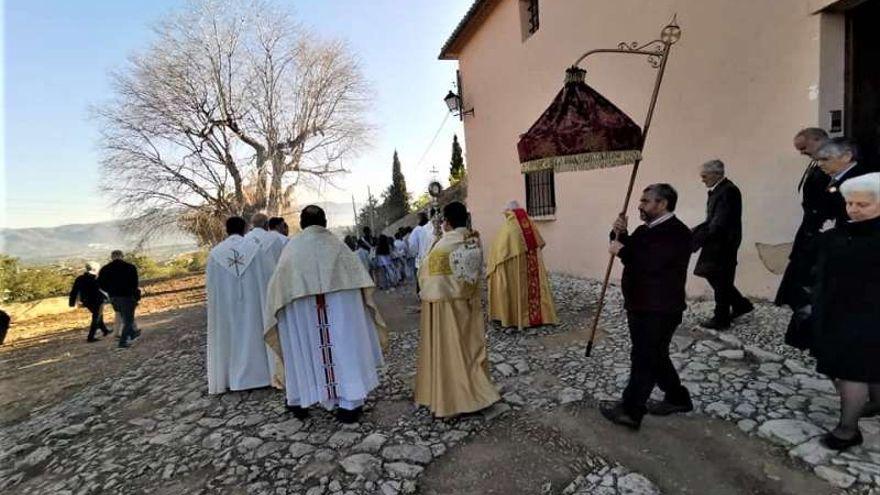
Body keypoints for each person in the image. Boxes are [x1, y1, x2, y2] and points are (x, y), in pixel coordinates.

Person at [264, 205, 387, 423]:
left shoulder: (291, 251)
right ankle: (350, 403)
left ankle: (300, 397)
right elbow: (362, 284)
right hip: (339, 306)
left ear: (301, 224)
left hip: (302, 310)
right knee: (344, 344)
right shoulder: (339, 248)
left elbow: (277, 293)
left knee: (303, 346)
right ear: (325, 222)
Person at [601, 184, 694, 430]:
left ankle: (631, 411)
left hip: (659, 309)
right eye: (641, 201)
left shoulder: (677, 233)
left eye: (645, 201)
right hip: (641, 305)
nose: (640, 205)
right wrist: (618, 232)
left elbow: (653, 264)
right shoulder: (646, 230)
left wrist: (622, 250)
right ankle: (677, 398)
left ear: (662, 204)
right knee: (656, 355)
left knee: (644, 358)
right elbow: (631, 248)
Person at [809, 173, 880, 451]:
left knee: (853, 370)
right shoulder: (839, 234)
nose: (854, 209)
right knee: (863, 365)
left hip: (868, 313)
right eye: (850, 203)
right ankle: (874, 404)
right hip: (840, 310)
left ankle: (847, 430)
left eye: (863, 205)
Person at [783, 138, 871, 348]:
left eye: (825, 159)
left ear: (847, 156)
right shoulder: (836, 178)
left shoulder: (859, 181)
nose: (820, 164)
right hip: (823, 244)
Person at [415, 201, 500, 418]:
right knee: (470, 349)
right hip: (469, 304)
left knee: (451, 352)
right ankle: (476, 388)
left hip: (446, 309)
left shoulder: (442, 248)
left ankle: (453, 396)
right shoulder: (473, 240)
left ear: (447, 222)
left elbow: (425, 277)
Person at [206, 217, 273, 394]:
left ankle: (232, 378)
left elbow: (212, 287)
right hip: (254, 303)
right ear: (245, 228)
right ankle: (262, 375)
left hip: (227, 306)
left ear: (226, 230)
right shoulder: (255, 249)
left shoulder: (215, 254)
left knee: (231, 337)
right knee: (255, 333)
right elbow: (268, 278)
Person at [691, 160, 753, 329]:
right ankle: (740, 305)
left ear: (716, 174)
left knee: (720, 279)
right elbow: (712, 221)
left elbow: (719, 223)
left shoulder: (728, 191)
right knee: (716, 277)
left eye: (704, 176)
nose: (702, 180)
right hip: (718, 241)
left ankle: (721, 318)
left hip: (723, 243)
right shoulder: (720, 190)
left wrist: (696, 238)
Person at [487, 200, 558, 330]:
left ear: (509, 212)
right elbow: (539, 243)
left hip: (512, 267)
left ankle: (513, 317)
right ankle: (537, 316)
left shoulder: (508, 227)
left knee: (515, 288)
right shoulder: (529, 224)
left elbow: (499, 252)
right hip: (531, 262)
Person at [98, 250, 140, 349]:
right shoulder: (130, 267)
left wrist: (110, 291)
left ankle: (133, 333)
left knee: (122, 315)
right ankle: (123, 342)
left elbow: (100, 284)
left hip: (114, 297)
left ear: (112, 257)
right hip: (127, 296)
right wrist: (135, 296)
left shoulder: (105, 269)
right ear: (122, 256)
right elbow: (135, 284)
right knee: (128, 319)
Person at [69, 262, 112, 342]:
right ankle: (91, 336)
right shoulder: (96, 277)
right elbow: (105, 288)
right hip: (98, 300)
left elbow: (74, 291)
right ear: (95, 269)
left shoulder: (80, 278)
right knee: (97, 317)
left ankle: (105, 330)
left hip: (86, 301)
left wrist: (71, 303)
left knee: (98, 315)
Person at [408, 212, 435, 294]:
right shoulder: (433, 227)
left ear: (419, 219)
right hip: (434, 258)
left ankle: (422, 296)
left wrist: (415, 253)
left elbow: (413, 246)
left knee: (421, 279)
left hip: (422, 259)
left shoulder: (416, 231)